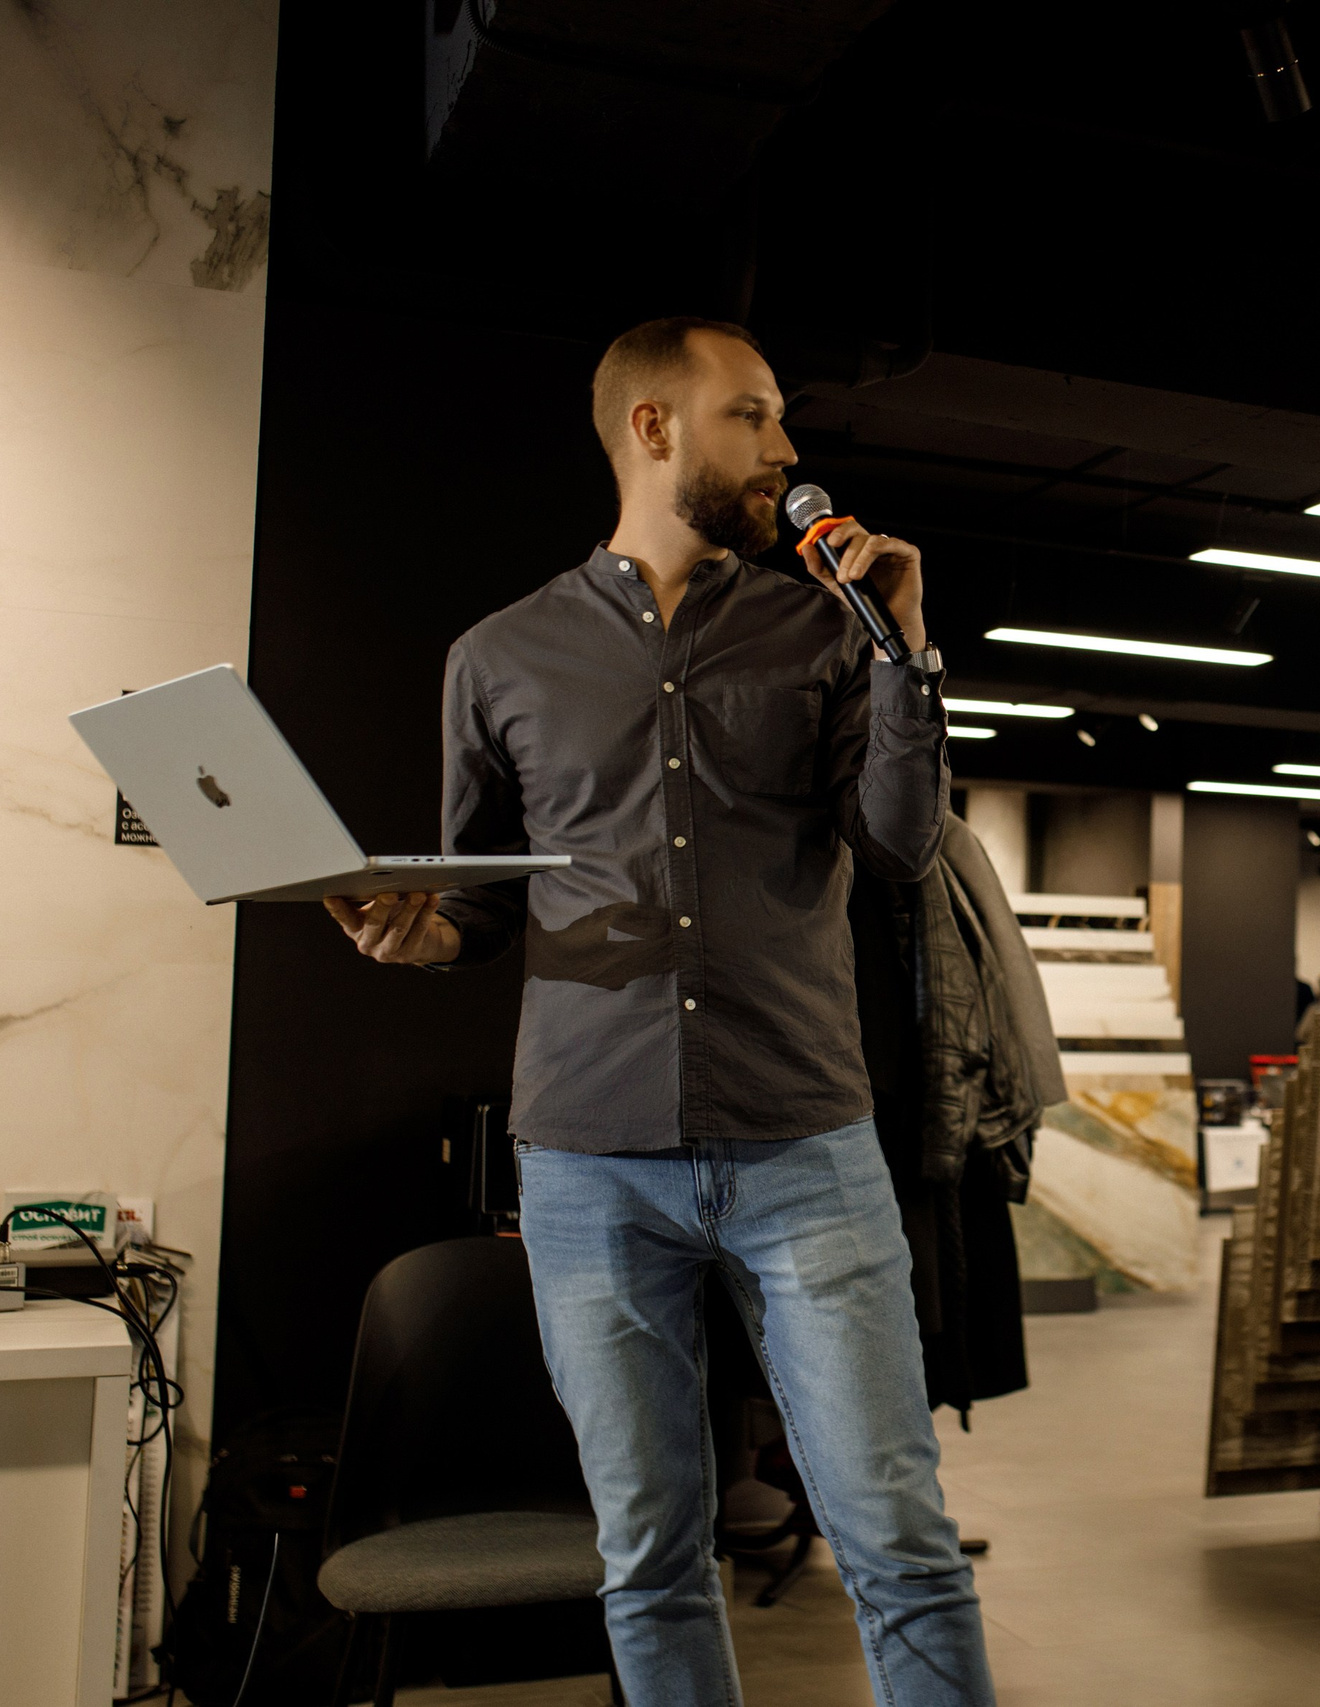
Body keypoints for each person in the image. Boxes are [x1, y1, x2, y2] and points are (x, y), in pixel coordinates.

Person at [323, 317, 994, 1707]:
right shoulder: (497, 656)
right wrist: (417, 933)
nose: (787, 447)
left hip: (805, 1145)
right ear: (655, 429)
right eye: (753, 416)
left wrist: (908, 655)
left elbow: (900, 847)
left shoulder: (826, 628)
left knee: (901, 1538)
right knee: (645, 1553)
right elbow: (479, 908)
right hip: (585, 1166)